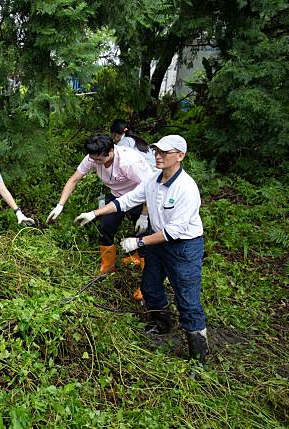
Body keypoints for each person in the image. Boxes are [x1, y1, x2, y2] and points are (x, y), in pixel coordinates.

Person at [74, 135, 209, 362]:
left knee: (187, 298)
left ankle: (199, 356)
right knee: (149, 286)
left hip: (184, 247)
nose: (158, 155)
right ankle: (162, 324)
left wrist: (138, 242)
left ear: (180, 156)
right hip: (158, 244)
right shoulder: (153, 179)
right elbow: (126, 201)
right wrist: (94, 214)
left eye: (165, 153)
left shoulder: (187, 188)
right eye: (156, 151)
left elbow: (173, 232)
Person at [46, 134, 152, 300]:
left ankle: (148, 284)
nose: (95, 163)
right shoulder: (92, 157)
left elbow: (149, 188)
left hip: (139, 198)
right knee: (105, 228)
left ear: (111, 151)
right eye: (93, 159)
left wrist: (144, 215)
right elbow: (74, 180)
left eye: (99, 160)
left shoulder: (129, 162)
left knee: (143, 236)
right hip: (116, 197)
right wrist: (60, 206)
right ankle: (107, 268)